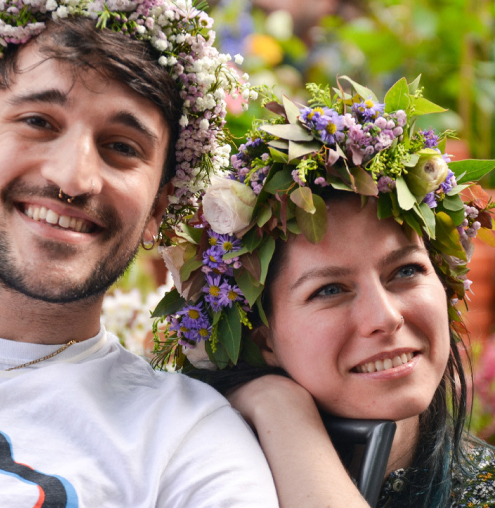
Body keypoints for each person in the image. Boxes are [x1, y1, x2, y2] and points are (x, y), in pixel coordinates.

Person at [0, 0, 280, 506]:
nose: (73, 178)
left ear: (159, 206)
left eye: (122, 147)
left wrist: (286, 411)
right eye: (38, 123)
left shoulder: (181, 439)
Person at [153, 81, 495, 507]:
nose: (385, 317)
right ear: (264, 339)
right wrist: (280, 407)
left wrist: (279, 408)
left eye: (406, 271)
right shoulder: (201, 482)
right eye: (330, 289)